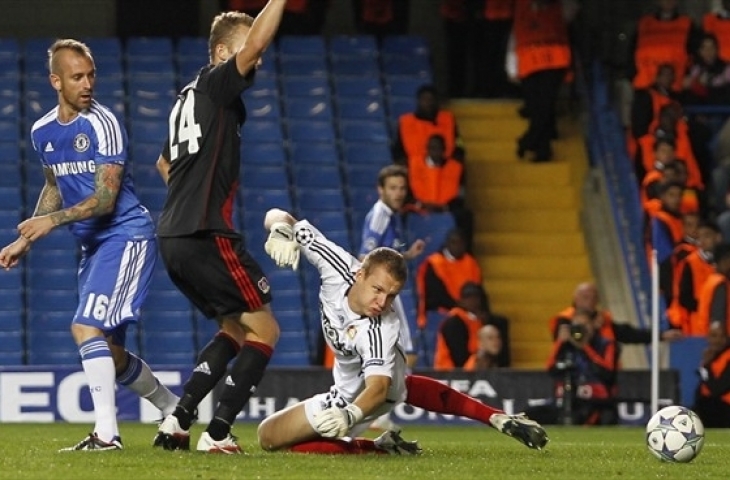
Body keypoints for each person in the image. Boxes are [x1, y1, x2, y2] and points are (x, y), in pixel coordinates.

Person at [0, 39, 179, 451]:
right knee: (111, 356)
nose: (87, 84)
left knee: (85, 327)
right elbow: (54, 185)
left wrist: (50, 222)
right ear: (55, 81)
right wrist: (24, 239)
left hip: (126, 235)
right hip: (94, 247)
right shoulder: (42, 131)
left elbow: (105, 199)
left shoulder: (103, 124)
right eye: (77, 76)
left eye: (91, 74)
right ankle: (175, 409)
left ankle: (106, 435)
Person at [255, 207, 549, 454]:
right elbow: (276, 213)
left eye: (392, 295)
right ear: (359, 274)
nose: (383, 302)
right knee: (267, 436)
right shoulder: (335, 265)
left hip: (370, 395)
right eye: (378, 290)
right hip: (342, 389)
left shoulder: (382, 328)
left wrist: (350, 414)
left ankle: (376, 448)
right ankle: (387, 446)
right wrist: (280, 228)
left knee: (391, 392)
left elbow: (378, 389)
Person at [153, 3, 288, 454]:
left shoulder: (185, 99)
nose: (258, 59)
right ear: (220, 52)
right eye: (244, 48)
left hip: (173, 235)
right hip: (204, 233)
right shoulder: (216, 81)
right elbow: (256, 46)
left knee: (234, 328)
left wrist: (186, 201)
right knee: (266, 330)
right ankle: (218, 433)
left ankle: (178, 419)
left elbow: (163, 163)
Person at [512, 0, 572, 163]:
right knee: (539, 106)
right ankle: (540, 147)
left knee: (543, 104)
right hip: (535, 54)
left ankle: (531, 141)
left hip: (549, 55)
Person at [548, 282, 682, 345]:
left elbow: (629, 334)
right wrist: (592, 328)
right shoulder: (564, 320)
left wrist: (661, 335)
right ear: (576, 299)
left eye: (594, 298)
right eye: (585, 297)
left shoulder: (603, 320)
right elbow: (569, 343)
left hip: (602, 372)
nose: (590, 302)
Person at [546, 310, 619, 425]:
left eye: (585, 325)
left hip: (597, 402)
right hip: (568, 401)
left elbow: (607, 373)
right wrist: (559, 342)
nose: (581, 330)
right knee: (534, 414)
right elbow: (550, 369)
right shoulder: (566, 346)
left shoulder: (606, 344)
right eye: (577, 326)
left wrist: (585, 347)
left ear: (593, 325)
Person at [407, 133, 474, 246]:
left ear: (444, 150)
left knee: (466, 216)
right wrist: (420, 204)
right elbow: (407, 192)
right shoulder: (414, 164)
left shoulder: (456, 168)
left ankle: (466, 252)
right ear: (427, 149)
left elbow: (460, 195)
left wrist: (444, 207)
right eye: (432, 148)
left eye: (439, 148)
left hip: (446, 208)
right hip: (419, 207)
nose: (435, 152)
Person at [415, 228, 482, 330]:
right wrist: (458, 305)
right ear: (447, 243)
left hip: (469, 308)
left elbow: (477, 288)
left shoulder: (470, 262)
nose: (458, 247)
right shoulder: (434, 263)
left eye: (461, 243)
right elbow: (434, 295)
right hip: (444, 309)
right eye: (454, 243)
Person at [433, 282, 509, 370]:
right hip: (449, 373)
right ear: (461, 301)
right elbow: (459, 358)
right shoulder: (453, 323)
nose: (473, 301)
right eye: (468, 298)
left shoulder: (482, 320)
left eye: (476, 297)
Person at [358, 164, 425, 262]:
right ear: (381, 189)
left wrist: (409, 254)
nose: (398, 194)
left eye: (402, 188)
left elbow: (388, 260)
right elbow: (364, 259)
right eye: (393, 188)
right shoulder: (380, 216)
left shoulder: (390, 214)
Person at [668, 220, 723, 335]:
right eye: (699, 237)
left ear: (718, 237)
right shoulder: (690, 262)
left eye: (707, 236)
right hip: (699, 322)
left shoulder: (725, 262)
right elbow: (684, 297)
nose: (702, 241)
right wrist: (707, 308)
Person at [392, 84, 465, 165]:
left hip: (445, 167)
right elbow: (398, 149)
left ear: (437, 101)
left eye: (431, 99)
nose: (428, 103)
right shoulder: (405, 122)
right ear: (418, 101)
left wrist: (455, 160)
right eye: (424, 99)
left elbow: (458, 143)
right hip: (415, 169)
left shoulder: (448, 119)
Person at [693, 320, 730, 427]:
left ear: (725, 338)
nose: (715, 340)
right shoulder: (712, 357)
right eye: (712, 336)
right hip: (712, 408)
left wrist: (706, 366)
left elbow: (718, 389)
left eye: (719, 336)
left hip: (725, 408)